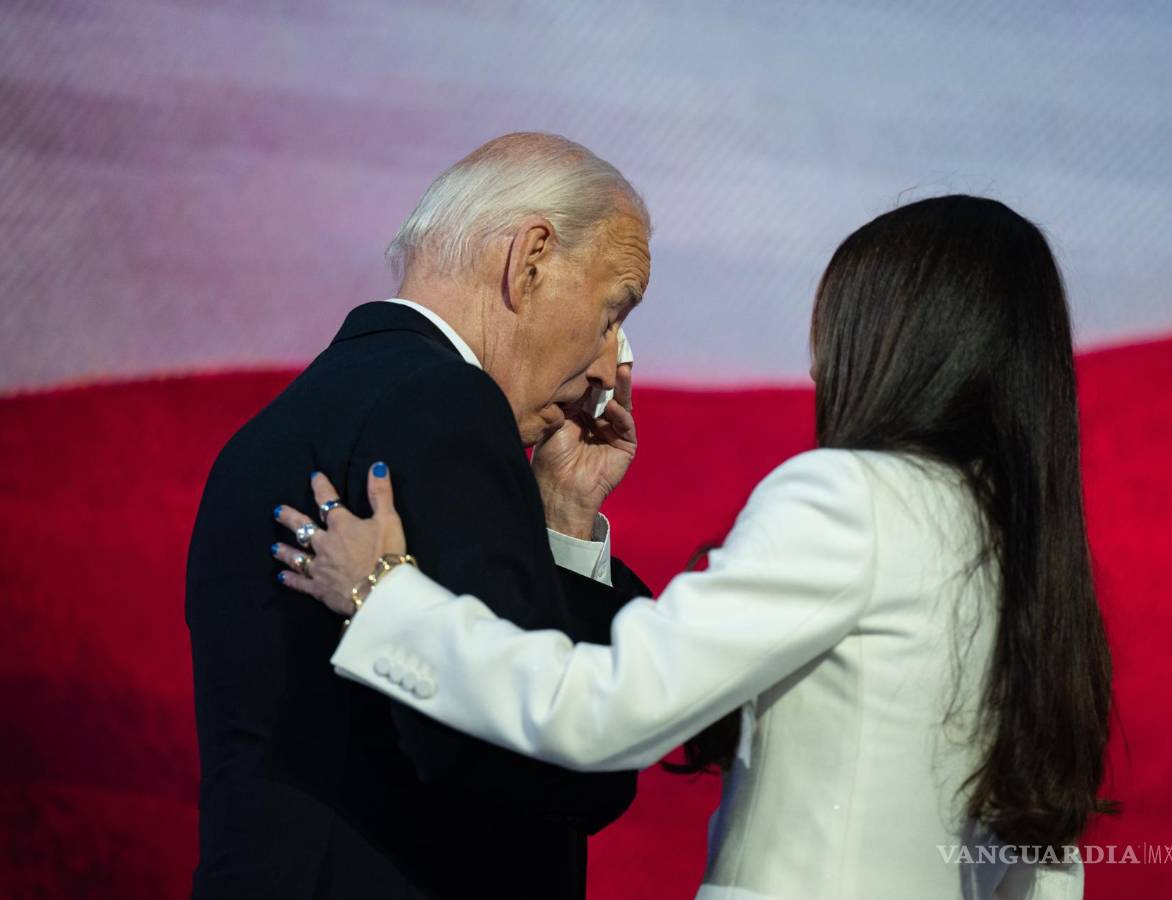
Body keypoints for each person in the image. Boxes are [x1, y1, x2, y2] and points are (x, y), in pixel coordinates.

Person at [276, 195, 1117, 899]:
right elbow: (1041, 864)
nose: (819, 365)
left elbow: (606, 707)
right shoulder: (1011, 541)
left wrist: (385, 597)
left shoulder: (853, 499)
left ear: (894, 339)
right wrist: (566, 514)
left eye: (835, 326)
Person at [187, 132, 653, 899]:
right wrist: (608, 742)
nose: (610, 367)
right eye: (612, 313)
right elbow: (535, 750)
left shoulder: (281, 425)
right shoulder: (446, 401)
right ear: (531, 259)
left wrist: (563, 516)